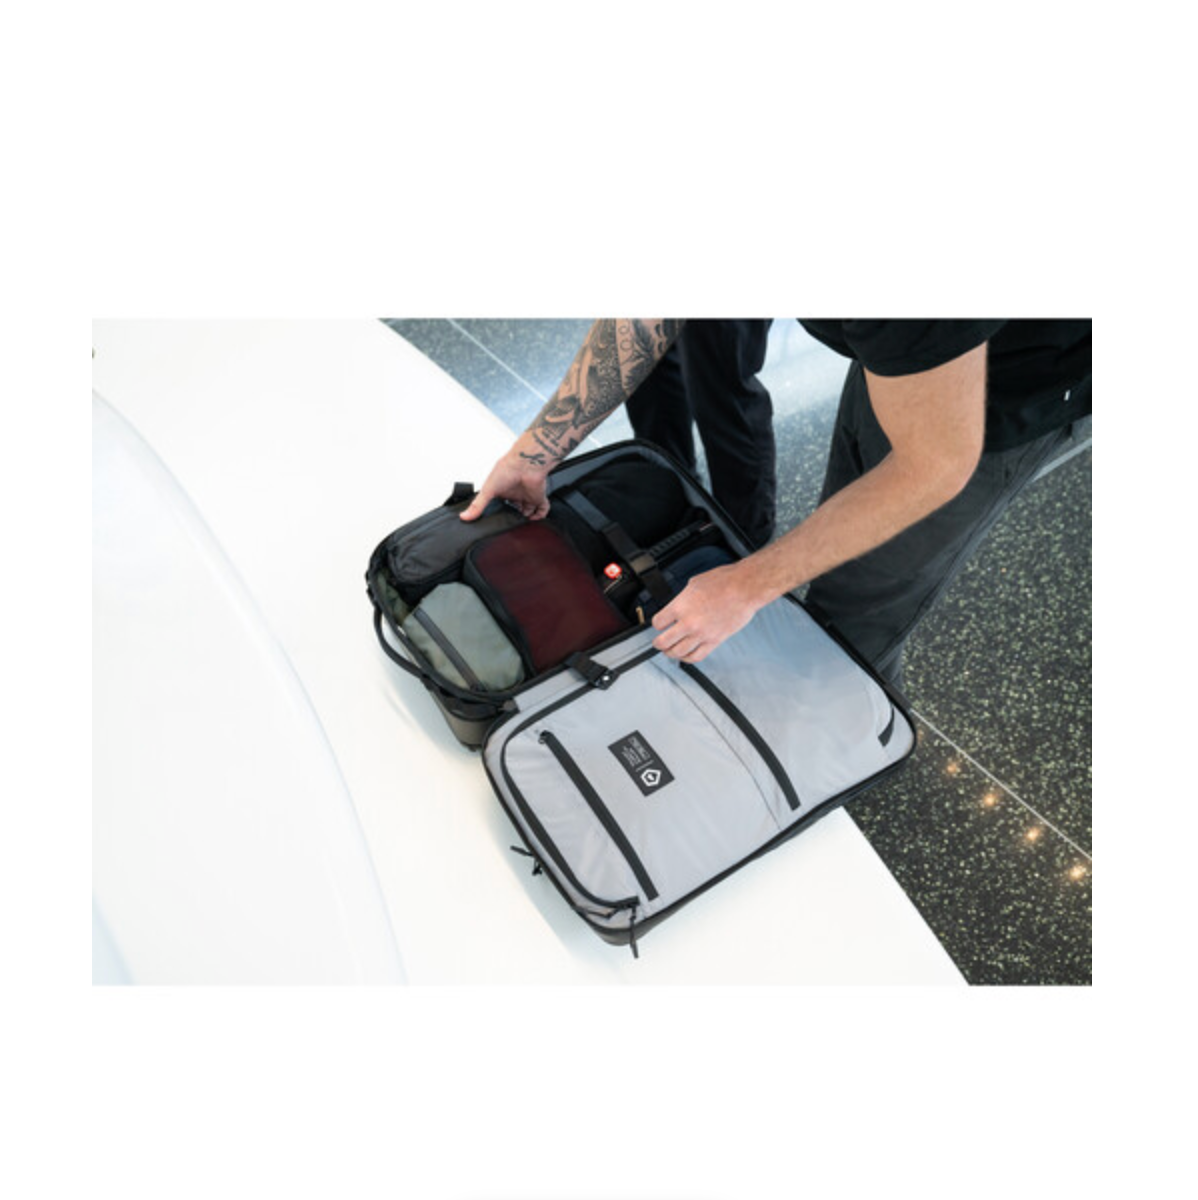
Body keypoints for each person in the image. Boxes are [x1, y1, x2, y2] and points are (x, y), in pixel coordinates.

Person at [460, 318, 1091, 685]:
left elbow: (934, 465)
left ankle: (836, 746)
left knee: (858, 610)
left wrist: (746, 586)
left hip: (1010, 390)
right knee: (859, 478)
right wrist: (538, 451)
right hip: (911, 356)